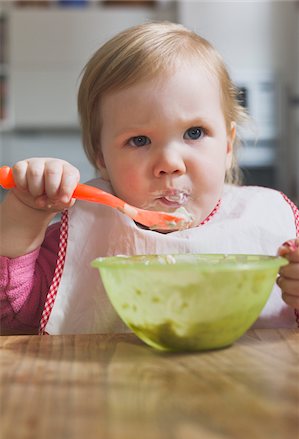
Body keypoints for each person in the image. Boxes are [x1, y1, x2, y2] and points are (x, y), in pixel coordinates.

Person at [1, 22, 298, 335]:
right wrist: (25, 214)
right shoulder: (87, 231)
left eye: (194, 133)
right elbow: (11, 320)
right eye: (139, 140)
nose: (169, 163)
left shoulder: (267, 223)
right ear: (101, 158)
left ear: (227, 145)